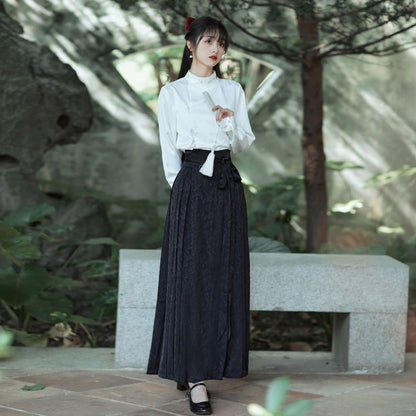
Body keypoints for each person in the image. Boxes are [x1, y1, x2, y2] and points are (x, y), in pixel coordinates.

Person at [146, 16, 255, 415]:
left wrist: (229, 124)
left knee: (223, 275)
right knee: (191, 279)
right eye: (208, 41)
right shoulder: (172, 93)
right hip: (192, 184)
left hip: (227, 183)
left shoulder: (232, 90)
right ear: (190, 45)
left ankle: (209, 362)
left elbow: (243, 141)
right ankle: (194, 377)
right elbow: (168, 149)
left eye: (221, 44)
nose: (216, 49)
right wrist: (183, 192)